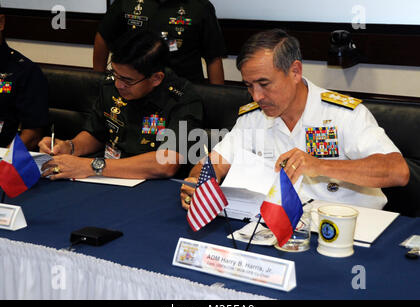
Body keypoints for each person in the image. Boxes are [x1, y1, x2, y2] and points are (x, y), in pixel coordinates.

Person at [180, 29, 410, 211]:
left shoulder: (342, 113)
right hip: (277, 228)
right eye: (249, 86)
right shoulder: (252, 117)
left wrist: (319, 165)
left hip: (349, 229)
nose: (257, 96)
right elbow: (215, 162)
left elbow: (398, 171)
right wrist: (197, 182)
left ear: (295, 71)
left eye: (264, 84)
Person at [39, 31, 203, 180]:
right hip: (107, 176)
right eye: (115, 73)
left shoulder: (182, 100)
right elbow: (96, 133)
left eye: (127, 80)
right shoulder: (111, 85)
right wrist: (70, 147)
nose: (118, 84)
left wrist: (90, 166)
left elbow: (166, 164)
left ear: (156, 79)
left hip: (153, 185)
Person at [93, 0, 226, 84]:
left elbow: (213, 57)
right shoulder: (126, 2)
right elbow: (103, 36)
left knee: (180, 129)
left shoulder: (200, 6)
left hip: (182, 94)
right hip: (135, 90)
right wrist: (98, 80)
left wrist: (216, 99)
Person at [0, 7, 49, 150]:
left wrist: (6, 161)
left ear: (1, 22)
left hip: (6, 157)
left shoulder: (26, 71)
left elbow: (33, 134)